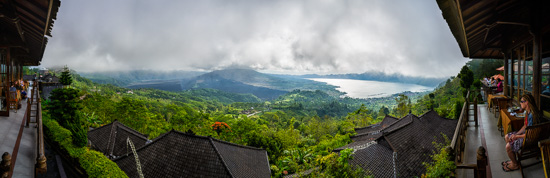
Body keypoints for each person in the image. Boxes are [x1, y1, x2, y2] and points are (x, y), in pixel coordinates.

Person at [502, 94, 542, 172]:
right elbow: (525, 126)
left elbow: (529, 135)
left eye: (521, 101)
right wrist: (516, 134)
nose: (520, 103)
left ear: (527, 102)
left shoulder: (532, 115)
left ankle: (515, 164)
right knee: (507, 136)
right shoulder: (528, 112)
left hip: (530, 139)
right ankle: (514, 160)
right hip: (527, 135)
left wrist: (517, 137)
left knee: (508, 147)